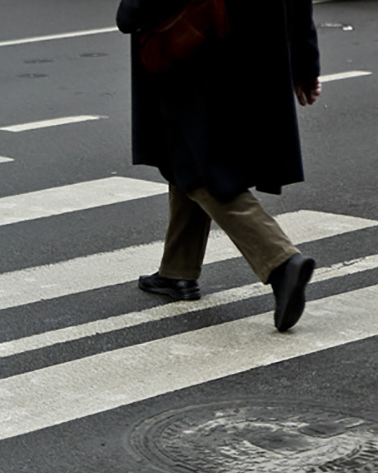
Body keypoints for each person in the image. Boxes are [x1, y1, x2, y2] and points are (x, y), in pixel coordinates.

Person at [116, 0, 321, 331]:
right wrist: (303, 59)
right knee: (186, 146)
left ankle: (280, 260)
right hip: (255, 44)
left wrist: (134, 11)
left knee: (194, 155)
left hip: (193, 36)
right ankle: (177, 270)